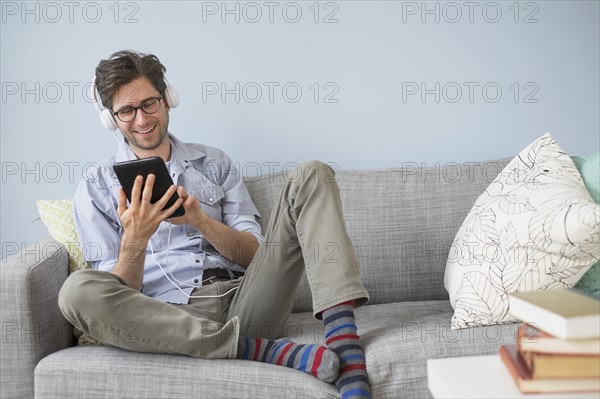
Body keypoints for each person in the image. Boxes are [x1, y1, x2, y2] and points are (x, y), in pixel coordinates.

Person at [58, 50, 371, 399]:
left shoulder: (215, 163)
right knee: (76, 292)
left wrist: (201, 222)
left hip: (246, 302)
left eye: (150, 104)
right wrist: (136, 238)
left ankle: (347, 353)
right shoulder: (96, 187)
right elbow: (117, 296)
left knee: (312, 174)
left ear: (168, 100)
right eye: (126, 111)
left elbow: (255, 255)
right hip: (166, 320)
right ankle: (257, 351)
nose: (142, 119)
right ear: (110, 119)